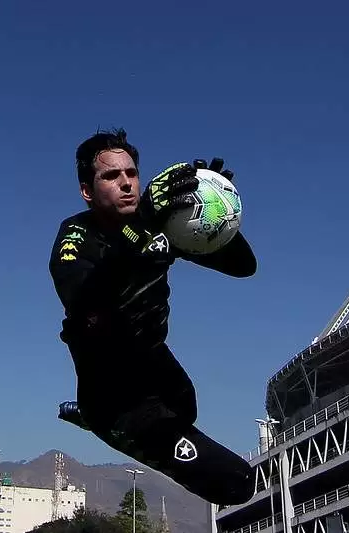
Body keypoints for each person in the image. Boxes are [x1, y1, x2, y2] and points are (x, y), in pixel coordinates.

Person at [48, 128, 257, 506]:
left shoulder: (159, 222)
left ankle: (103, 420)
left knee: (186, 406)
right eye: (111, 176)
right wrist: (142, 222)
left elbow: (244, 266)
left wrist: (214, 209)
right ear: (87, 191)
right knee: (238, 484)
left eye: (131, 174)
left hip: (156, 365)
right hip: (112, 391)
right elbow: (83, 299)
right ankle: (99, 420)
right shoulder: (75, 235)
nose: (126, 184)